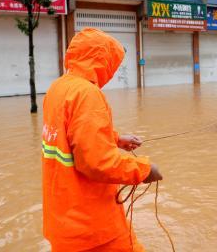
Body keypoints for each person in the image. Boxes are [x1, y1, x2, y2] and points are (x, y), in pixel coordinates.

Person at [42, 28, 163, 252]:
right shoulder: (88, 93)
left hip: (63, 220)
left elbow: (72, 137)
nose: (113, 71)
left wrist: (116, 139)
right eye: (113, 63)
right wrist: (144, 169)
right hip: (93, 227)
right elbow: (96, 162)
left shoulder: (58, 88)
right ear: (101, 60)